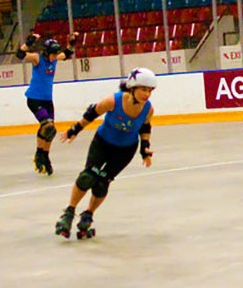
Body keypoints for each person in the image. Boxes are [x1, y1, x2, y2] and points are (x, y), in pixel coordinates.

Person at [54, 67, 156, 238]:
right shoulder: (113, 101)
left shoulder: (148, 109)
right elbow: (92, 113)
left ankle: (88, 214)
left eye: (149, 90)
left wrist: (144, 148)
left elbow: (145, 127)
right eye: (143, 89)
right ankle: (69, 212)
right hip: (102, 143)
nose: (146, 94)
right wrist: (75, 130)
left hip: (125, 150)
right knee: (88, 177)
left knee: (102, 183)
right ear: (132, 87)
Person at [16, 31, 78, 175]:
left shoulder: (54, 59)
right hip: (34, 99)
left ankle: (45, 155)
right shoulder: (38, 58)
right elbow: (20, 54)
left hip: (47, 100)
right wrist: (29, 43)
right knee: (47, 125)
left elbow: (67, 54)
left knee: (51, 130)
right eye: (53, 54)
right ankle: (39, 153)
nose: (55, 57)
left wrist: (72, 42)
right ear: (46, 52)